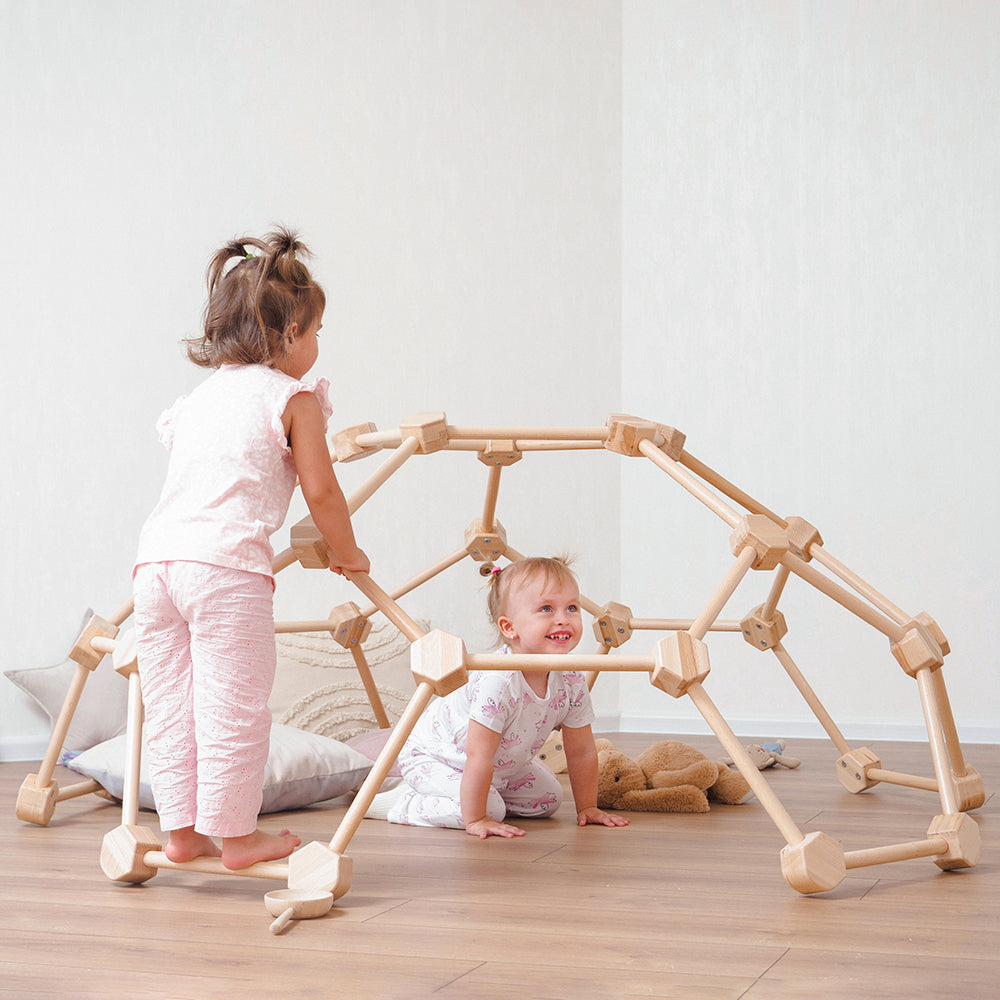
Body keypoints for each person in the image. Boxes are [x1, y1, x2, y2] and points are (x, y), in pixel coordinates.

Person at [132, 227, 369, 870]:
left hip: (155, 566)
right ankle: (237, 837)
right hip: (225, 569)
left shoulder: (197, 401)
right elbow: (322, 491)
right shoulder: (292, 398)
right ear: (289, 334)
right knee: (232, 705)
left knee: (172, 707)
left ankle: (182, 834)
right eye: (316, 332)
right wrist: (349, 552)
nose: (317, 346)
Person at [387, 556, 629, 838]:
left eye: (572, 608)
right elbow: (478, 755)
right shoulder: (499, 681)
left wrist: (588, 806)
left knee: (548, 799)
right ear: (509, 628)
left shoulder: (572, 679)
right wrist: (478, 818)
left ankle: (479, 797)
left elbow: (581, 751)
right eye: (547, 609)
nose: (563, 619)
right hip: (437, 758)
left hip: (499, 766)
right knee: (489, 809)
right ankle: (400, 803)